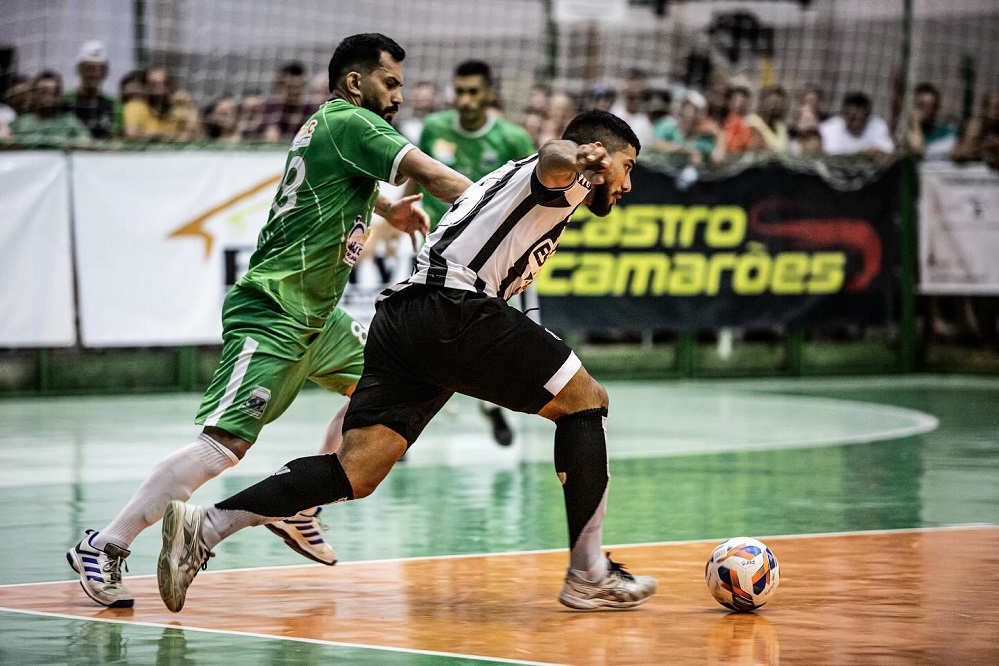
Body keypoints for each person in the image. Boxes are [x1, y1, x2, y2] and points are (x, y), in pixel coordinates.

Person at [155, 109, 659, 613]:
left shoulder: (523, 187)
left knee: (356, 471)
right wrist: (578, 158)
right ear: (599, 154)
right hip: (451, 309)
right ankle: (588, 574)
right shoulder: (564, 175)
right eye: (628, 166)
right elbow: (554, 157)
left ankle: (207, 525)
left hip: (404, 319)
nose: (628, 183)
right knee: (586, 403)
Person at [66, 32, 472, 609]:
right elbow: (432, 174)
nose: (398, 97)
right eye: (391, 83)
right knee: (223, 448)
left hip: (319, 319)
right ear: (355, 82)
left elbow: (329, 180)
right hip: (275, 311)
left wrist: (386, 206)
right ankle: (105, 545)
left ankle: (301, 503)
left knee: (392, 385)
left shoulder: (330, 129)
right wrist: (506, 203)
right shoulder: (349, 121)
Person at [409, 59, 536, 447]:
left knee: (483, 343)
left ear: (490, 93)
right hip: (432, 253)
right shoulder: (434, 129)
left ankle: (491, 405)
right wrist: (397, 215)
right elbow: (419, 173)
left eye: (473, 92)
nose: (464, 100)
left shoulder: (512, 140)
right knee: (418, 342)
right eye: (459, 91)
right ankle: (398, 429)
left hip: (487, 262)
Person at [7, 71, 90, 144]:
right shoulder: (20, 124)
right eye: (43, 92)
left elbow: (85, 143)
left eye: (54, 93)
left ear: (59, 97)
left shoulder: (70, 123)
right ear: (34, 94)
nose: (48, 98)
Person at [63, 40, 118, 139]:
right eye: (88, 69)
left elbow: (116, 137)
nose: (92, 75)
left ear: (104, 73)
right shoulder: (64, 101)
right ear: (79, 70)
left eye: (96, 69)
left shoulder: (113, 104)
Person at [819, 91, 894, 160]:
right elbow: (831, 156)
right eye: (852, 118)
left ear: (868, 116)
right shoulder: (828, 128)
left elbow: (888, 153)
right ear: (843, 115)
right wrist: (863, 154)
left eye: (861, 119)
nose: (856, 123)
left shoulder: (878, 125)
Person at [260, 61, 316, 143]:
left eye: (298, 87)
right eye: (290, 87)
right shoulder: (269, 107)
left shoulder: (311, 110)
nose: (294, 91)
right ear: (280, 86)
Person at [905, 82, 957, 160]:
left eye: (932, 106)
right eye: (921, 105)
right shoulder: (908, 133)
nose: (927, 110)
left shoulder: (949, 133)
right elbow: (916, 151)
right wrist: (915, 124)